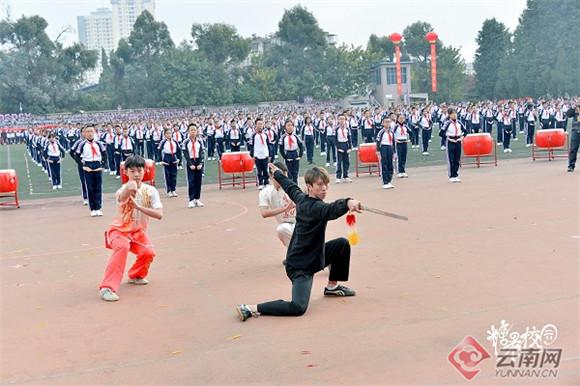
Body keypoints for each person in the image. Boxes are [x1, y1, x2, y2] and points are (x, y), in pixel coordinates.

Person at [236, 164, 361, 321]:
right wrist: (348, 201)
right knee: (298, 307)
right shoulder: (316, 207)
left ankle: (332, 287)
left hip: (315, 256)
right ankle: (251, 308)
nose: (325, 188)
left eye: (326, 184)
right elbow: (331, 209)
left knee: (341, 244)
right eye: (320, 185)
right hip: (300, 266)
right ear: (309, 187)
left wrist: (278, 174)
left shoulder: (301, 198)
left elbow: (290, 186)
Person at [99, 155, 164, 302]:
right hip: (119, 231)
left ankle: (136, 275)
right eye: (132, 171)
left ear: (145, 170)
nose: (136, 174)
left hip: (137, 232)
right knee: (121, 247)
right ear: (125, 172)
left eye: (139, 170)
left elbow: (159, 214)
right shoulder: (122, 190)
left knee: (148, 253)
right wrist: (131, 186)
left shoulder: (151, 191)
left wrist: (139, 207)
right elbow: (125, 194)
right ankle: (107, 287)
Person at [258, 162, 296, 264]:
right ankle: (293, 255)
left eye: (285, 176)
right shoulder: (265, 193)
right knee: (282, 229)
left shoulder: (291, 188)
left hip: (300, 223)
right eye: (281, 176)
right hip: (285, 224)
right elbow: (264, 213)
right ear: (271, 176)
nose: (284, 179)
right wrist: (285, 209)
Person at [73, 125, 108, 216]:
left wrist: (103, 165)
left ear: (94, 132)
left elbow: (105, 155)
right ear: (84, 134)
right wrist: (83, 166)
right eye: (87, 132)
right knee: (90, 187)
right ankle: (92, 208)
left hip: (97, 164)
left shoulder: (99, 144)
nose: (89, 134)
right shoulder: (82, 144)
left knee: (98, 187)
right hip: (88, 165)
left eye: (91, 131)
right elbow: (76, 156)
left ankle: (98, 207)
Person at [439, 108, 467, 183]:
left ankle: (456, 175)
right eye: (452, 114)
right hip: (450, 142)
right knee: (450, 159)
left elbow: (465, 131)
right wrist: (448, 138)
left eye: (455, 113)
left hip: (458, 141)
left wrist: (462, 137)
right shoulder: (447, 123)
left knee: (457, 159)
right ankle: (451, 175)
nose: (454, 115)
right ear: (449, 115)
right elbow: (441, 133)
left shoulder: (459, 123)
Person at [182, 123, 205, 207]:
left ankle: (197, 199)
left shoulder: (200, 141)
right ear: (188, 131)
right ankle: (191, 199)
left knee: (198, 181)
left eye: (194, 130)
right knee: (191, 181)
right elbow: (185, 154)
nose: (193, 132)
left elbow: (202, 152)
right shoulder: (186, 141)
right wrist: (190, 164)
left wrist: (201, 163)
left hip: (198, 161)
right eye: (191, 130)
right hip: (190, 161)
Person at [159, 128, 180, 197]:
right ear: (165, 135)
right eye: (167, 133)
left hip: (173, 157)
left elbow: (179, 150)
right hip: (167, 158)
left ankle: (173, 190)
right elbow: (159, 151)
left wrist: (179, 159)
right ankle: (169, 190)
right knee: (167, 175)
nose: (169, 135)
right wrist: (161, 160)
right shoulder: (163, 142)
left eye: (170, 133)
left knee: (174, 175)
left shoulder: (175, 142)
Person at [250, 117, 270, 189]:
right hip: (257, 155)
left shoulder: (265, 135)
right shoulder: (254, 135)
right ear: (256, 125)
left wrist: (269, 154)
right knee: (259, 170)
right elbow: (251, 145)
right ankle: (260, 183)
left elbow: (268, 144)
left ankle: (266, 182)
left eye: (261, 124)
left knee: (265, 169)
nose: (260, 125)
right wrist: (252, 155)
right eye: (258, 124)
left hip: (265, 154)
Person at [376, 117, 395, 189]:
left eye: (389, 122)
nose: (387, 123)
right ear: (383, 123)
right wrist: (378, 151)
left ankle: (389, 180)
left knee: (390, 164)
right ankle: (385, 182)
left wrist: (394, 152)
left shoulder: (391, 132)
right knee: (384, 164)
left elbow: (393, 142)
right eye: (386, 122)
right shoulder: (381, 132)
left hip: (390, 147)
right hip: (383, 147)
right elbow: (378, 142)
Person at [567, 104, 580, 172]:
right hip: (576, 130)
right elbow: (568, 114)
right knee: (573, 149)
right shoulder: (575, 109)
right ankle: (571, 166)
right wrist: (573, 107)